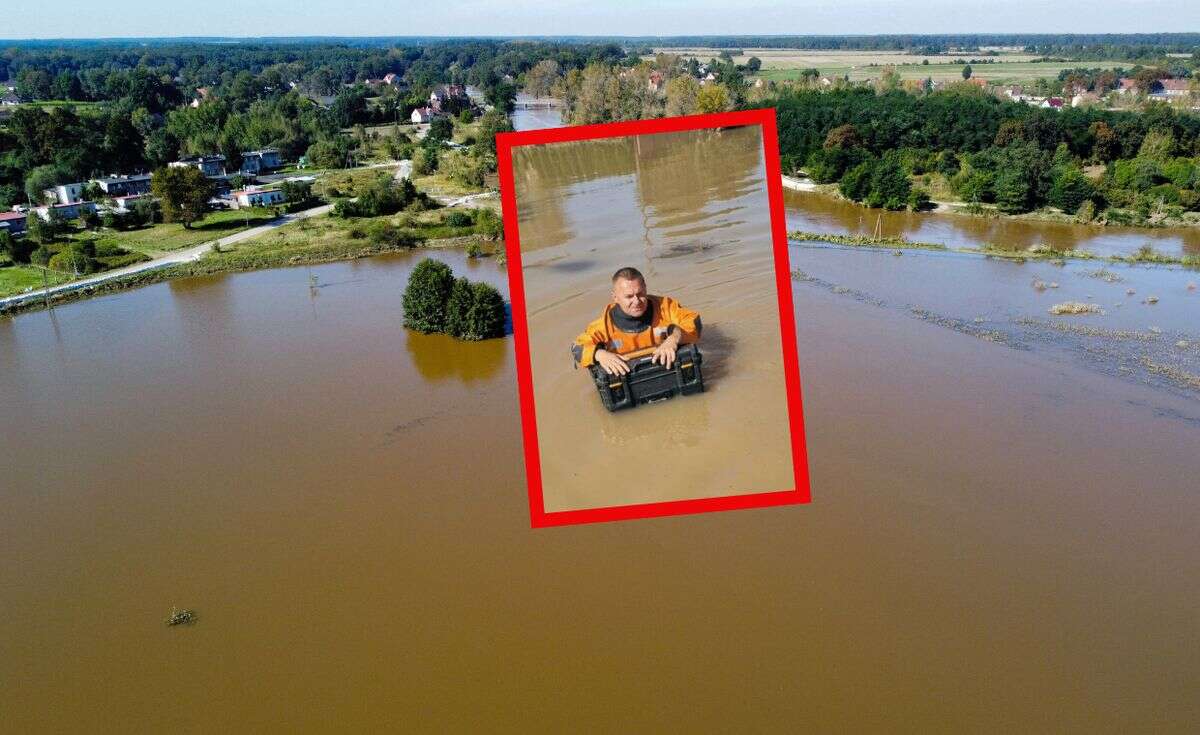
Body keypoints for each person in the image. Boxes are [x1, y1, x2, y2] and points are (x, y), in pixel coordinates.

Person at [572, 266, 702, 375]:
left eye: (640, 294)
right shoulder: (603, 326)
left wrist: (673, 339)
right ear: (615, 297)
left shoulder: (666, 307)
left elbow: (694, 322)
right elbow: (578, 348)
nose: (637, 301)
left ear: (645, 289)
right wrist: (599, 354)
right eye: (629, 297)